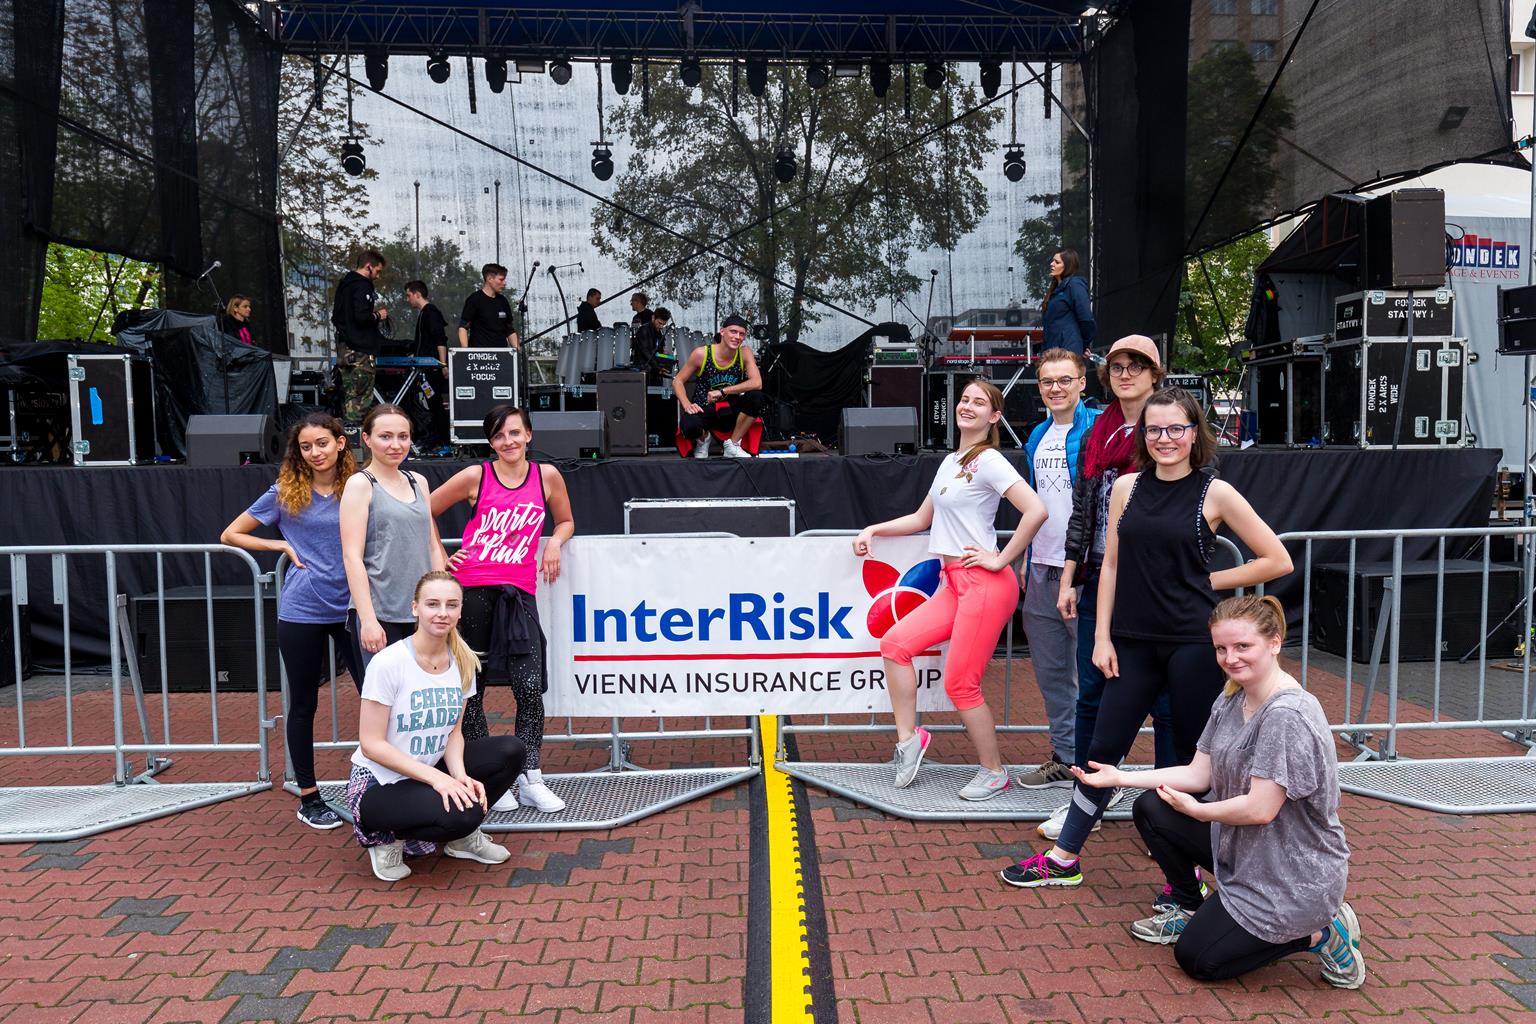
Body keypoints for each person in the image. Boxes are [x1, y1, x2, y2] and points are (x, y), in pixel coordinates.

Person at [1001, 386, 1293, 888]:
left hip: (1192, 645)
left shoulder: (1215, 492)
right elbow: (1111, 565)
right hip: (1131, 642)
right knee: (1101, 749)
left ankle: (1185, 876)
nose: (1165, 438)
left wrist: (1204, 582)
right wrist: (1102, 636)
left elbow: (1277, 559)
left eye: (1176, 428)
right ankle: (1064, 858)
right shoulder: (1126, 487)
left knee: (1189, 757)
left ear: (1194, 433)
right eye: (1154, 429)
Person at [1070, 595, 1364, 989]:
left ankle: (1323, 933)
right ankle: (1188, 904)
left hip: (1292, 874)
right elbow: (1197, 773)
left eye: (1243, 646)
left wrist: (1198, 811)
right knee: (1152, 807)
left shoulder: (1286, 715)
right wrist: (1118, 778)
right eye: (1221, 648)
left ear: (1274, 643)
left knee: (1198, 959)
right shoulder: (1232, 698)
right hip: (1246, 850)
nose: (1230, 658)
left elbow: (1260, 809)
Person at [853, 379, 1049, 801]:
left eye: (979, 402)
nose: (968, 406)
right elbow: (921, 519)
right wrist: (873, 529)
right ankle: (909, 741)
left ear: (994, 416)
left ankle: (993, 771)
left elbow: (1036, 509)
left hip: (984, 583)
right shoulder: (951, 461)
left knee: (961, 683)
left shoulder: (990, 460)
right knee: (894, 644)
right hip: (953, 582)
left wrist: (1002, 558)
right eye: (964, 399)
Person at [1035, 335, 1175, 842]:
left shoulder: (1170, 425)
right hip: (1099, 577)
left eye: (1136, 366)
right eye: (1117, 366)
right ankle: (1085, 802)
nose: (1125, 374)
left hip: (1154, 584)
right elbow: (1083, 511)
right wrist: (1071, 577)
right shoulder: (1099, 431)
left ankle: (1169, 816)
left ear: (1155, 373)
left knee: (1166, 704)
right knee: (1091, 696)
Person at [431, 404, 575, 814]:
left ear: (529, 434)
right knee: (472, 690)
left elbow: (566, 520)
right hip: (473, 590)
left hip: (519, 594)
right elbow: (423, 510)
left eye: (514, 432)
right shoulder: (476, 475)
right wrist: (441, 555)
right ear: (490, 442)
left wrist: (554, 542)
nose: (507, 441)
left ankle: (530, 776)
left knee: (528, 687)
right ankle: (490, 778)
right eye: (498, 435)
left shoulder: (547, 476)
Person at [220, 413, 359, 830]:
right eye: (306, 446)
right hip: (303, 609)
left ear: (340, 443)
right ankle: (309, 796)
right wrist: (279, 544)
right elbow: (231, 534)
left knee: (377, 696)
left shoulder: (359, 486)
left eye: (322, 443)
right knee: (303, 703)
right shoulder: (285, 491)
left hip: (356, 607)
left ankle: (381, 783)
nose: (315, 452)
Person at [345, 570, 526, 883]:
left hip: (427, 770)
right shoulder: (388, 663)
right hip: (380, 783)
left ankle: (461, 840)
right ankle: (386, 839)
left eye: (451, 605)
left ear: (460, 610)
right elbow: (371, 745)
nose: (442, 612)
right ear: (415, 608)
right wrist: (440, 780)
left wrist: (459, 776)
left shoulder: (462, 661)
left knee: (511, 751)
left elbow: (453, 733)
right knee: (464, 813)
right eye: (433, 604)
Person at [1014, 348, 1099, 790]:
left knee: (1092, 676)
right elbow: (1038, 504)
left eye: (1065, 380)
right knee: (1052, 677)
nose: (1056, 388)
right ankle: (1066, 758)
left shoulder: (1099, 428)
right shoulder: (1037, 435)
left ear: (1082, 383)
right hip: (1041, 569)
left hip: (1082, 572)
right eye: (1047, 381)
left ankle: (1099, 769)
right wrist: (1028, 557)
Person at [340, 404, 447, 677]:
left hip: (422, 612)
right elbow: (352, 557)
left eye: (403, 436)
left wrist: (440, 602)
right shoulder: (360, 484)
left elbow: (432, 545)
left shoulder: (418, 481)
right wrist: (368, 619)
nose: (396, 445)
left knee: (421, 693)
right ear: (367, 439)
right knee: (384, 697)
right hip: (381, 612)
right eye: (385, 436)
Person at [674, 315, 764, 459]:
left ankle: (732, 445)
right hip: (705, 408)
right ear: (722, 331)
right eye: (733, 332)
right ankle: (704, 439)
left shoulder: (744, 353)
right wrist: (687, 404)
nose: (737, 337)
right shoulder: (702, 353)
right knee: (689, 426)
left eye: (741, 334)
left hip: (730, 409)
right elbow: (678, 380)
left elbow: (757, 383)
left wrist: (722, 391)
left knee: (756, 396)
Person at [331, 250, 391, 442]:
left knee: (350, 397)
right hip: (360, 351)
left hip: (345, 349)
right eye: (377, 271)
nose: (378, 276)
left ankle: (349, 443)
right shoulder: (362, 285)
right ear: (368, 266)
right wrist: (378, 315)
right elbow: (361, 317)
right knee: (360, 401)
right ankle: (356, 444)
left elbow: (336, 318)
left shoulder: (344, 285)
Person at [404, 280, 450, 449]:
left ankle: (443, 440)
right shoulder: (424, 314)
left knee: (435, 403)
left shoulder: (431, 313)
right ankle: (436, 437)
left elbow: (440, 340)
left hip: (432, 370)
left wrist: (443, 364)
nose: (407, 299)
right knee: (431, 402)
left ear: (417, 294)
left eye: (409, 295)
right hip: (425, 369)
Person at [1041, 249, 1095, 356]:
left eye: (1057, 262)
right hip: (1052, 350)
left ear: (1067, 266)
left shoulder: (1074, 285)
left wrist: (1084, 344)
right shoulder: (1054, 290)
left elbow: (1086, 318)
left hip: (1068, 349)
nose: (1052, 264)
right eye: (1052, 261)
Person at [459, 263, 521, 350]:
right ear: (490, 279)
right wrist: (465, 352)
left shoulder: (503, 301)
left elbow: (510, 330)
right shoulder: (474, 299)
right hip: (479, 353)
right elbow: (463, 327)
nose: (504, 283)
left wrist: (517, 350)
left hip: (501, 353)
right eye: (501, 279)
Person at [630, 306, 672, 383]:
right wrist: (658, 367)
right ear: (653, 318)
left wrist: (665, 357)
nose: (661, 326)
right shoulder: (644, 330)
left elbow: (657, 351)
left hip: (654, 370)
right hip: (643, 370)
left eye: (663, 324)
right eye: (659, 323)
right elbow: (646, 352)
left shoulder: (659, 332)